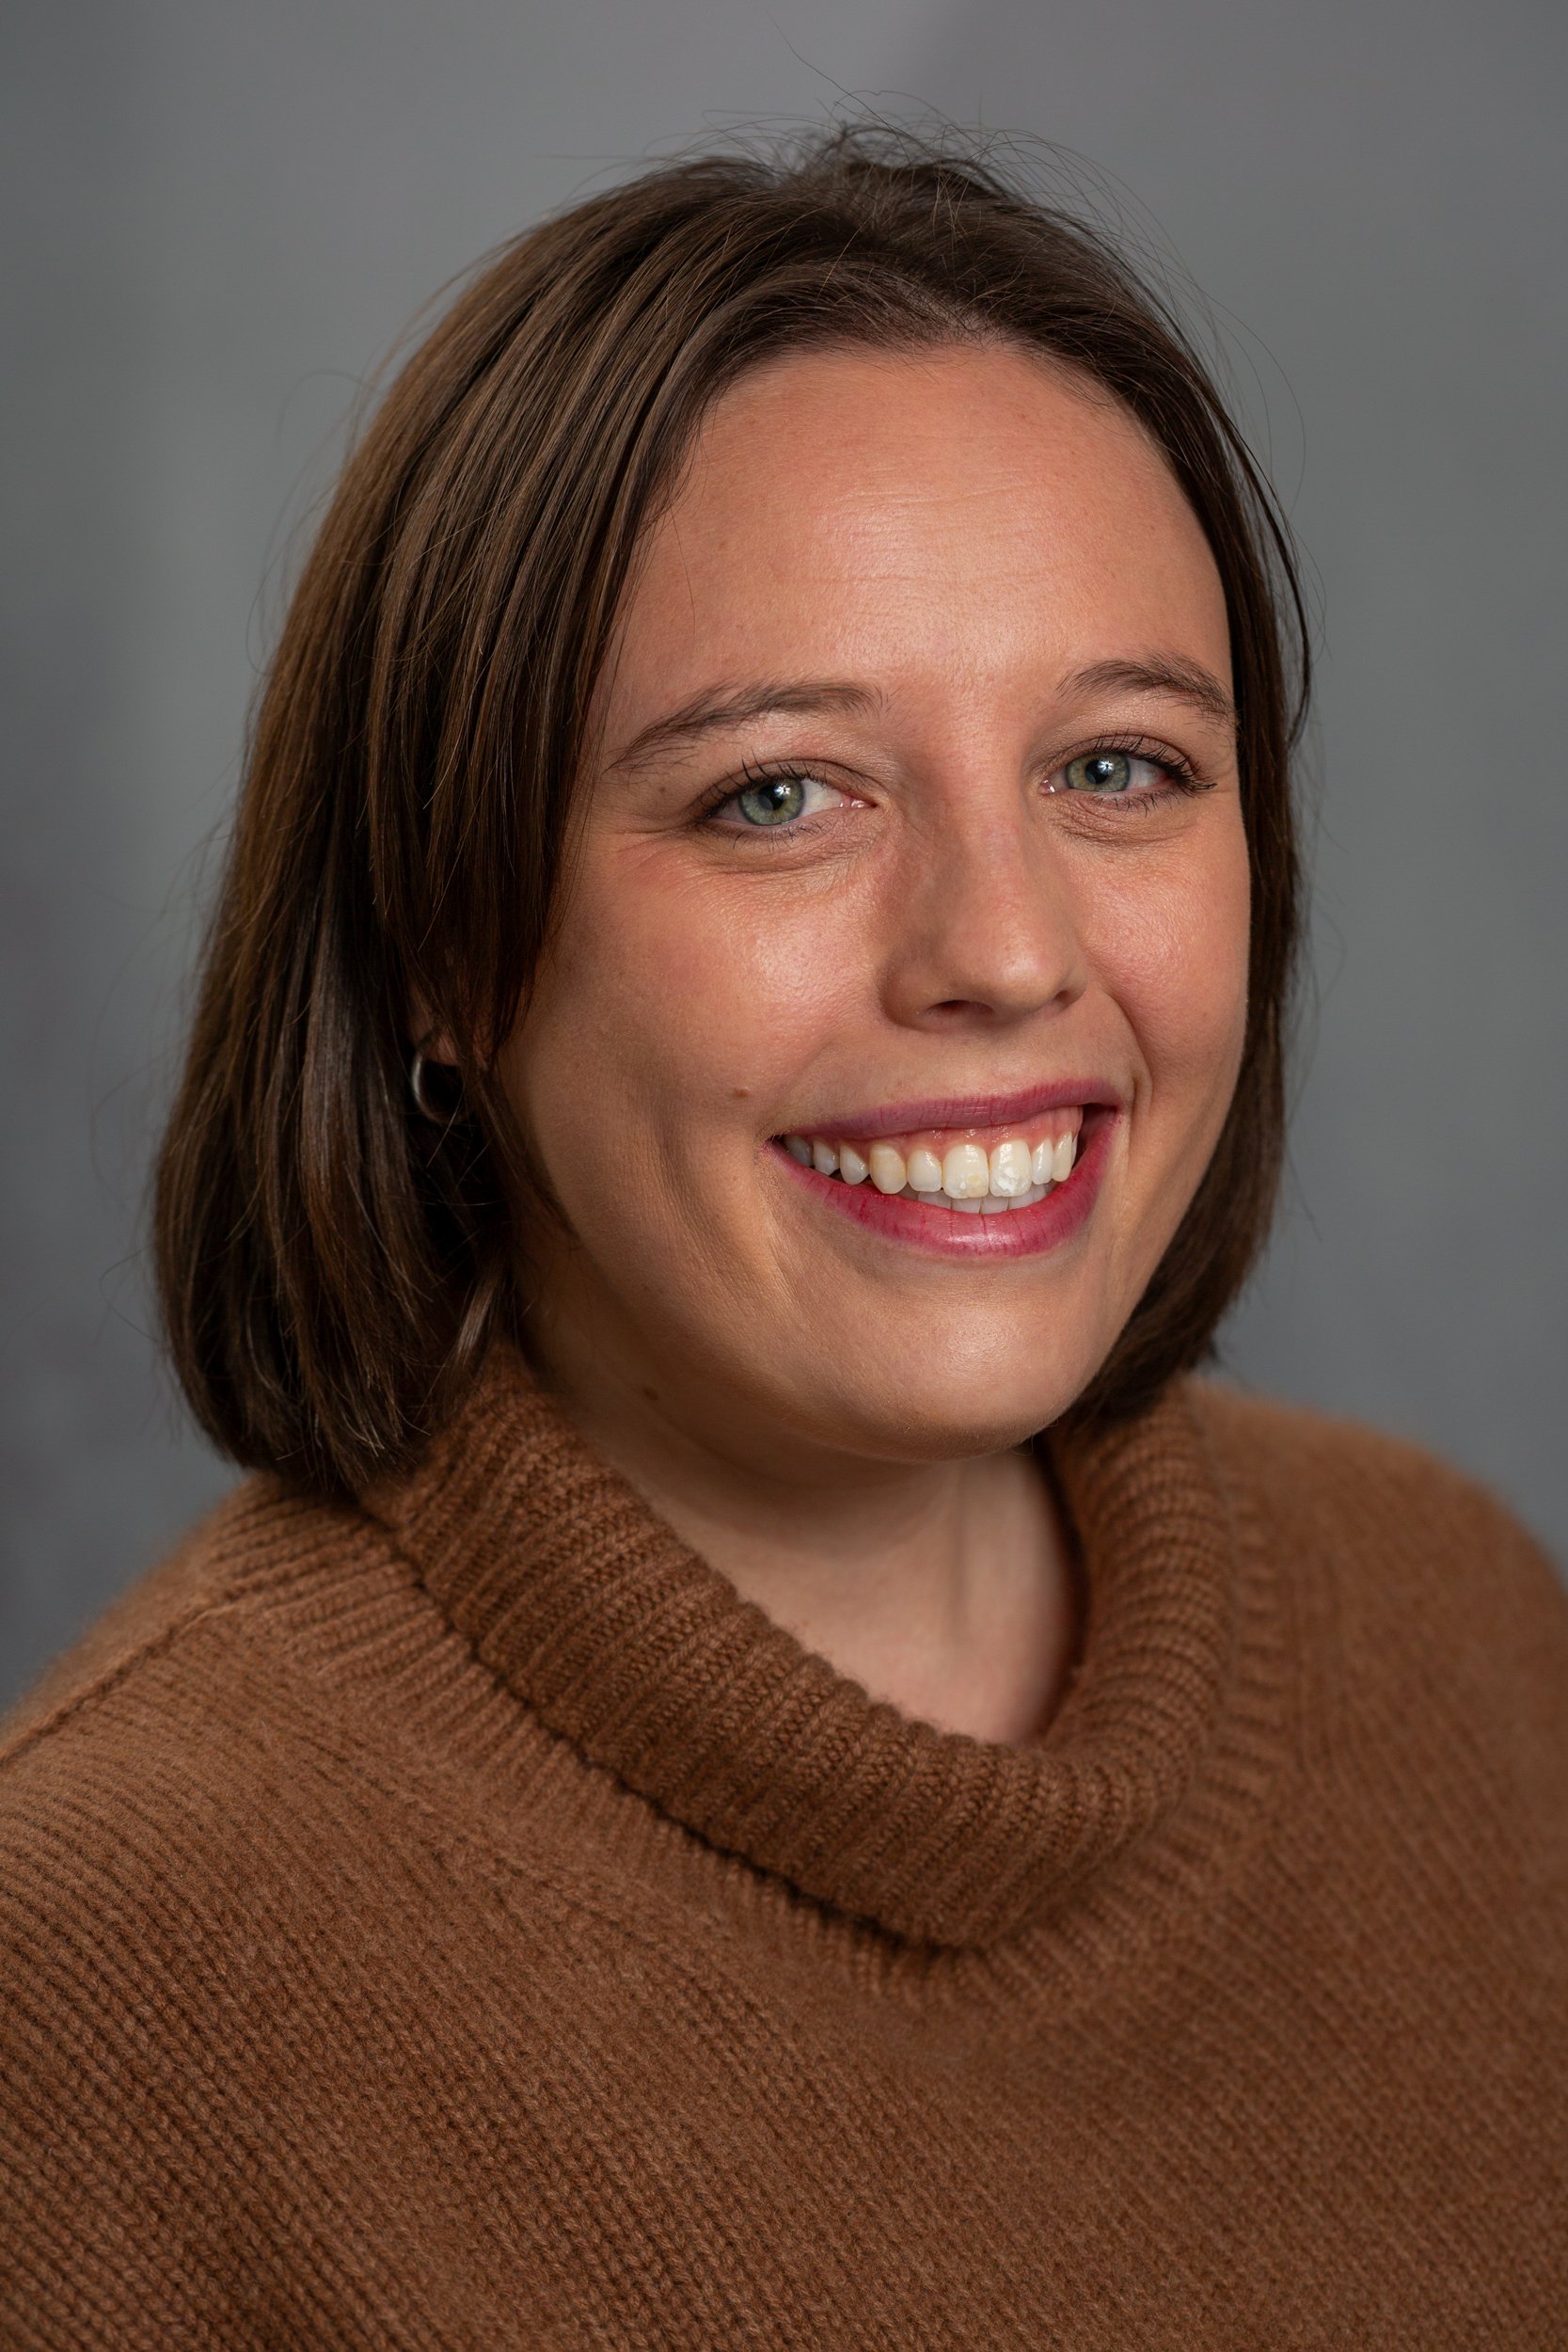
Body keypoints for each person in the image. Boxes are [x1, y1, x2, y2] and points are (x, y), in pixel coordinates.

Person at [3, 126, 1564, 2349]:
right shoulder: (103, 1976)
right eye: (778, 793)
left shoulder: (1471, 1637)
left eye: (1120, 765)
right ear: (446, 938)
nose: (1004, 951)